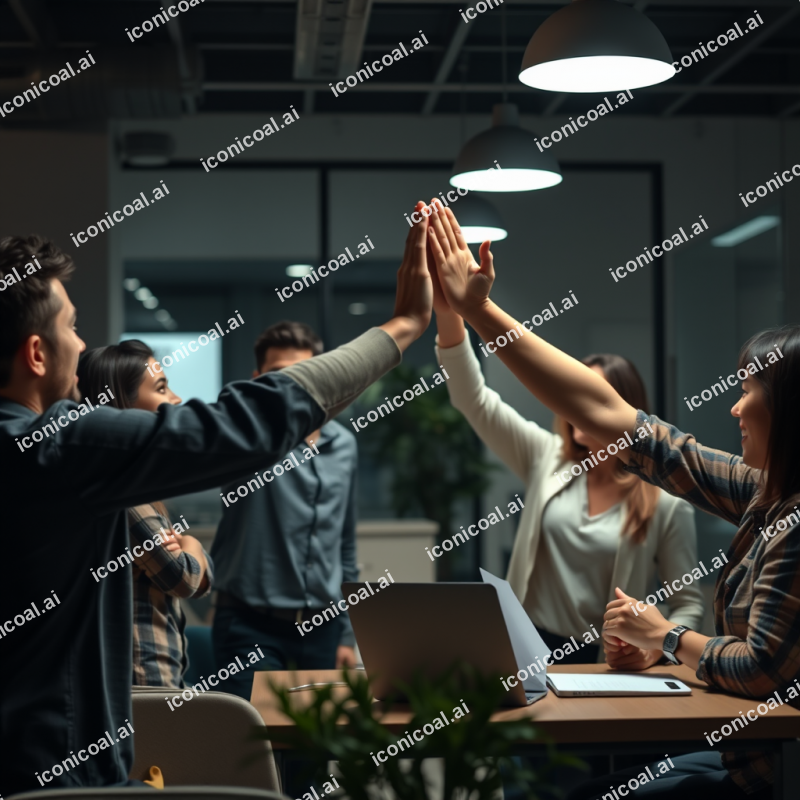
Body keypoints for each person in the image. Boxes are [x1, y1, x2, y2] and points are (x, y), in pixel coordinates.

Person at [0, 205, 432, 797]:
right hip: (55, 777)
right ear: (37, 354)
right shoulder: (59, 448)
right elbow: (240, 426)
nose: (82, 343)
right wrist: (404, 325)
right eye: (72, 327)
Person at [427, 202, 793, 799]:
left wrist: (663, 639)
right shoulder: (760, 492)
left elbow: (756, 665)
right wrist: (471, 313)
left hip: (714, 740)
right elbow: (613, 419)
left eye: (746, 391)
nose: (733, 406)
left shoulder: (766, 510)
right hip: (548, 662)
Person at [434, 294, 703, 664]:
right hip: (527, 648)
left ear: (620, 409)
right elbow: (474, 399)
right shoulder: (548, 457)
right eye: (570, 395)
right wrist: (450, 314)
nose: (573, 405)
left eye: (586, 398)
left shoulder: (665, 503)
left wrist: (654, 651)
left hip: (606, 663)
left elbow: (687, 604)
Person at [211, 320, 359, 698]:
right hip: (249, 626)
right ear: (258, 379)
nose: (293, 386)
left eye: (305, 373)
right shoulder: (248, 436)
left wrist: (344, 631)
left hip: (322, 630)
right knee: (252, 752)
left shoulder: (344, 445)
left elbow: (344, 544)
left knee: (315, 754)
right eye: (279, 376)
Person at [76, 339, 214, 688]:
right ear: (123, 406)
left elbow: (201, 582)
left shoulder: (137, 488)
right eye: (162, 388)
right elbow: (183, 579)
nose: (177, 400)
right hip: (143, 684)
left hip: (150, 682)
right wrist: (193, 545)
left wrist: (190, 557)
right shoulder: (123, 495)